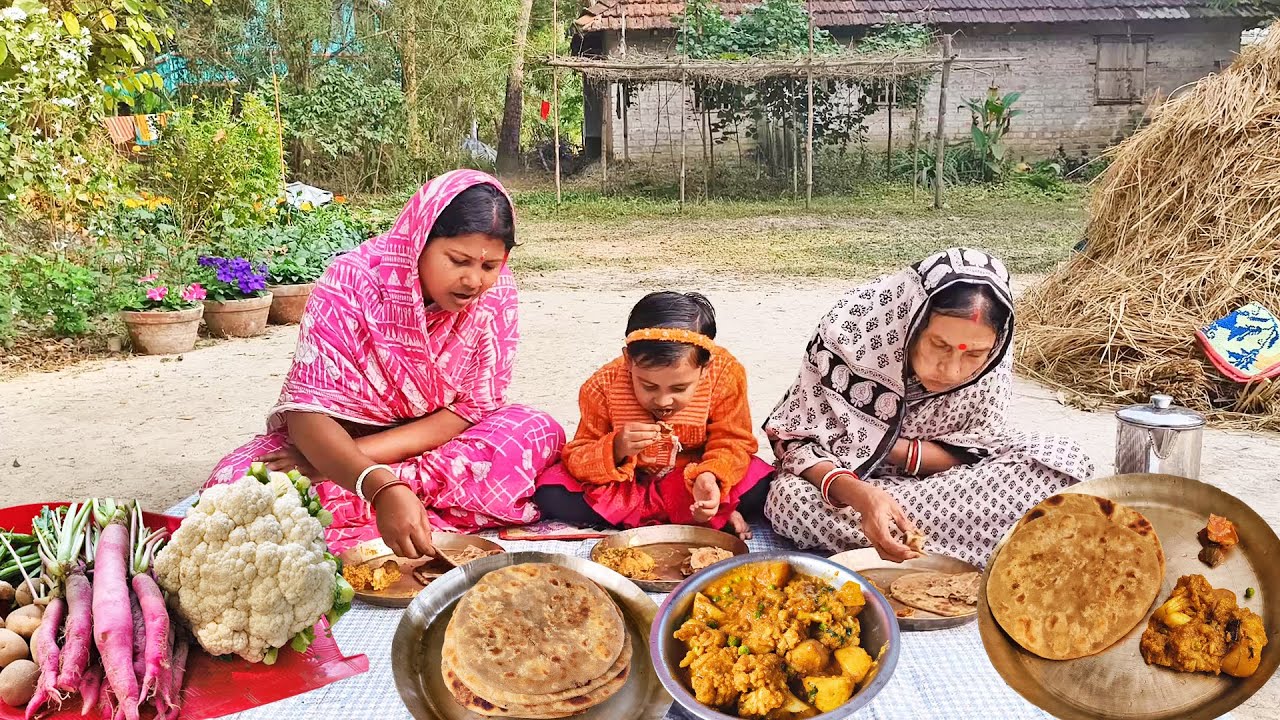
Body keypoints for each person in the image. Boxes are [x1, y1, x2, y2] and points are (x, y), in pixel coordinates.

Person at [204, 170, 565, 558]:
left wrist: (355, 468)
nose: (473, 280)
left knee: (535, 432)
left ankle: (388, 501)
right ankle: (417, 503)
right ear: (419, 239)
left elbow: (470, 410)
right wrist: (372, 480)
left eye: (489, 267)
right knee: (236, 485)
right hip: (334, 442)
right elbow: (307, 416)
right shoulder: (351, 283)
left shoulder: (496, 298)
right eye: (458, 260)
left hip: (417, 445)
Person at [762, 247, 1094, 567]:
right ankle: (993, 540)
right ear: (911, 321)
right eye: (939, 345)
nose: (952, 370)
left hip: (948, 488)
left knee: (1063, 464)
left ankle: (892, 534)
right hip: (846, 487)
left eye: (973, 354)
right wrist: (861, 496)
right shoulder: (851, 330)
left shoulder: (994, 354)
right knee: (787, 500)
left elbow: (978, 445)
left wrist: (885, 445)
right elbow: (794, 439)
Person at [535, 291, 774, 539]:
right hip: (629, 485)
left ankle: (706, 507)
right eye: (648, 386)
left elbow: (734, 441)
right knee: (551, 492)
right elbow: (579, 453)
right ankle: (716, 513)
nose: (663, 401)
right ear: (628, 361)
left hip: (691, 482)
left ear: (705, 368)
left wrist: (711, 476)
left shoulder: (726, 374)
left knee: (762, 485)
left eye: (679, 388)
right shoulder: (601, 386)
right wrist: (616, 448)